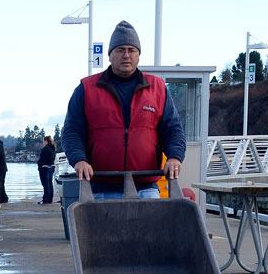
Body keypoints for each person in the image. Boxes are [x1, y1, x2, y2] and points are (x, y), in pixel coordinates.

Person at [61, 20, 185, 198]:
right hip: (100, 189)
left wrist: (174, 156)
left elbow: (173, 129)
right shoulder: (87, 89)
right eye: (120, 50)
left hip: (146, 188)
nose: (126, 55)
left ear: (138, 55)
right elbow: (72, 131)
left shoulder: (157, 88)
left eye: (131, 50)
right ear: (110, 55)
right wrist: (79, 159)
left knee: (151, 227)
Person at [37, 135, 56, 204]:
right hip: (52, 167)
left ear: (46, 141)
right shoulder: (53, 148)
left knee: (45, 185)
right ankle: (50, 199)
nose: (43, 143)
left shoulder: (45, 149)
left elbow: (42, 159)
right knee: (50, 184)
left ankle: (45, 200)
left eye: (43, 141)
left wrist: (39, 164)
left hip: (45, 168)